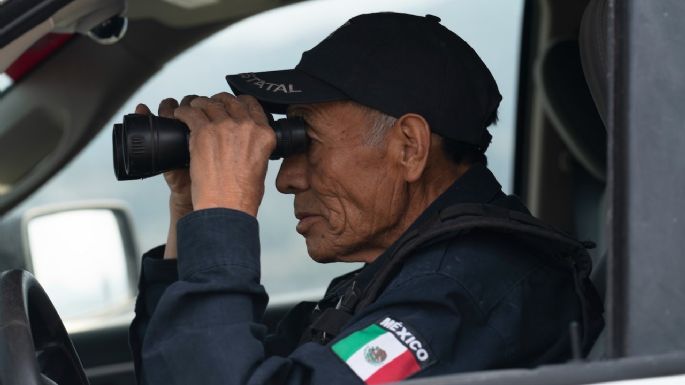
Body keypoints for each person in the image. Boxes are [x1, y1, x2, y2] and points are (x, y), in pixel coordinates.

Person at [129, 12, 604, 385]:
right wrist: (191, 210)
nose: (285, 180)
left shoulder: (463, 296)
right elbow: (186, 366)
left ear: (408, 147)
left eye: (305, 141)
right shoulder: (402, 280)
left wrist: (224, 219)